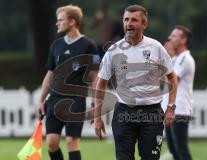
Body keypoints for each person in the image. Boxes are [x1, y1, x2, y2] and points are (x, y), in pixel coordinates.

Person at [94, 5, 178, 160]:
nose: (129, 24)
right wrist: (97, 117)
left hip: (151, 114)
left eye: (134, 20)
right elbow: (100, 84)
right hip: (124, 113)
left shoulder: (156, 47)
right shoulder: (114, 50)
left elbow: (172, 77)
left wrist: (171, 107)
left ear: (144, 24)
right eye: (126, 20)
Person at [38, 5, 97, 160]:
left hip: (76, 100)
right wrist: (41, 99)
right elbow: (50, 73)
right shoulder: (56, 45)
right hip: (55, 99)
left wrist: (96, 101)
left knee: (71, 141)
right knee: (51, 143)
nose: (57, 23)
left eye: (60, 20)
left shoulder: (89, 45)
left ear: (72, 22)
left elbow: (95, 76)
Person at [164, 25, 195, 160]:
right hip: (171, 110)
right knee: (174, 149)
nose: (170, 38)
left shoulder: (185, 59)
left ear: (184, 40)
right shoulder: (175, 59)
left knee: (181, 150)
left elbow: (171, 81)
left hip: (180, 110)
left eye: (174, 36)